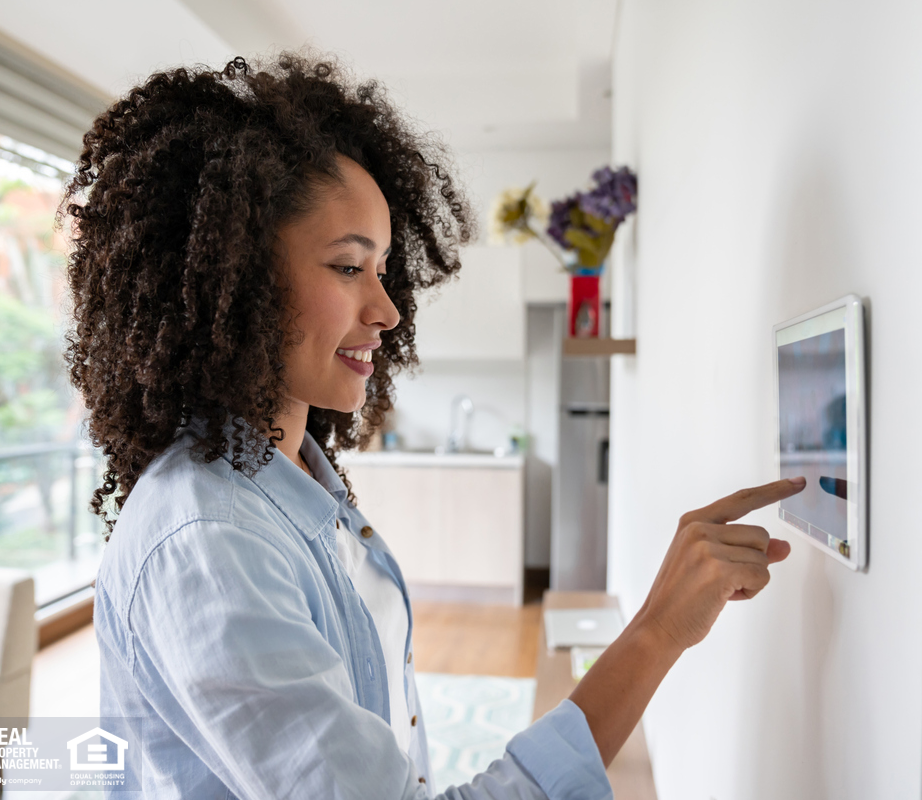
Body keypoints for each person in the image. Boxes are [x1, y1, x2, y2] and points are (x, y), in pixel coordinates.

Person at [63, 54, 803, 799]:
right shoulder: (211, 539)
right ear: (235, 275)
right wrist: (655, 633)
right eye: (350, 268)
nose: (385, 311)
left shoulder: (283, 479)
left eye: (383, 270)